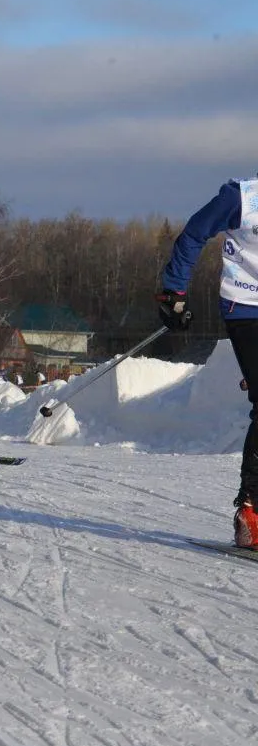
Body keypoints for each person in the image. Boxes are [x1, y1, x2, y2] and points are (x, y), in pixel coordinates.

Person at [160, 174, 258, 548]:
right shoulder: (242, 196)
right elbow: (195, 233)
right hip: (246, 307)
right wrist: (174, 290)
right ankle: (250, 510)